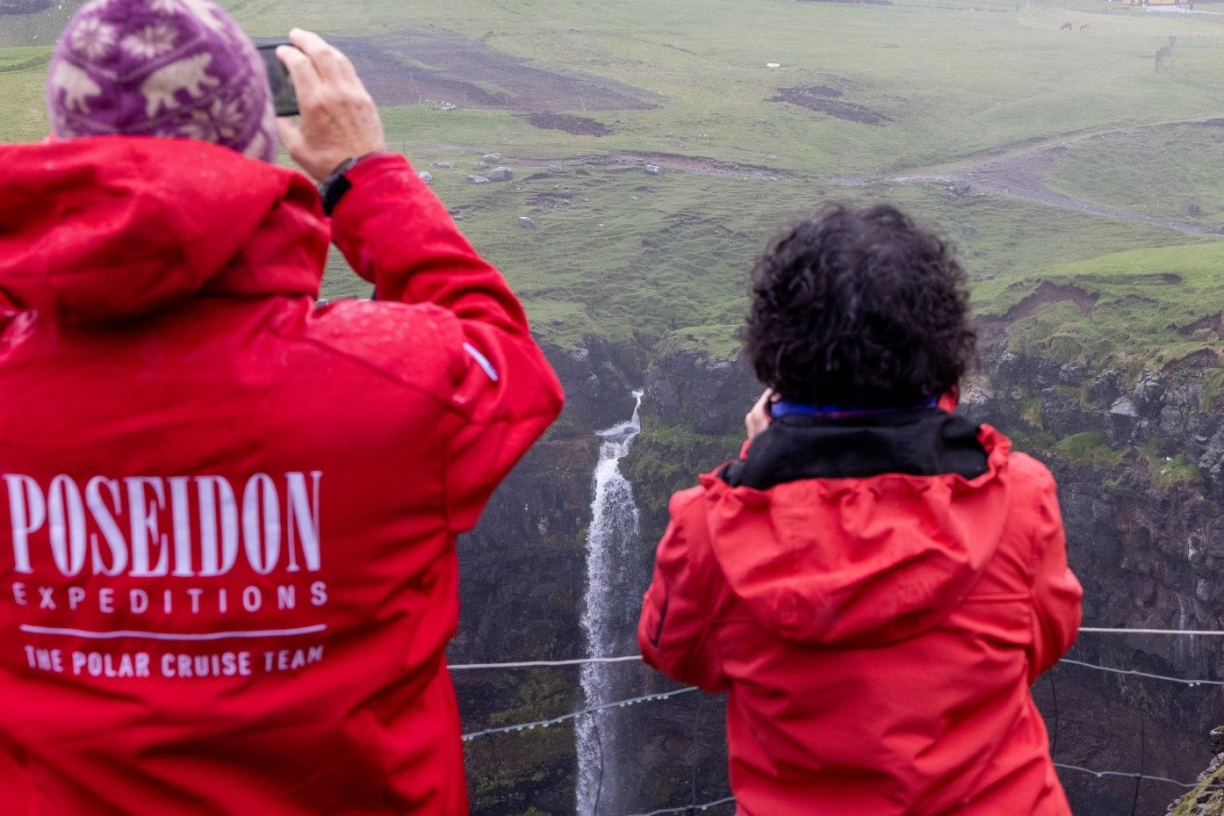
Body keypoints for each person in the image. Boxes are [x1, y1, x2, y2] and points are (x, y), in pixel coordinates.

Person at [0, 1, 563, 813]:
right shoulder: (393, 384)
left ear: (61, 151)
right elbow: (506, 356)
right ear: (260, 144)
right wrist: (365, 175)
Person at [638, 205, 1082, 816]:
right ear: (942, 346)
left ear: (776, 356)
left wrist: (762, 458)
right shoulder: (1019, 497)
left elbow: (677, 653)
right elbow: (1045, 639)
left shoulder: (709, 525)